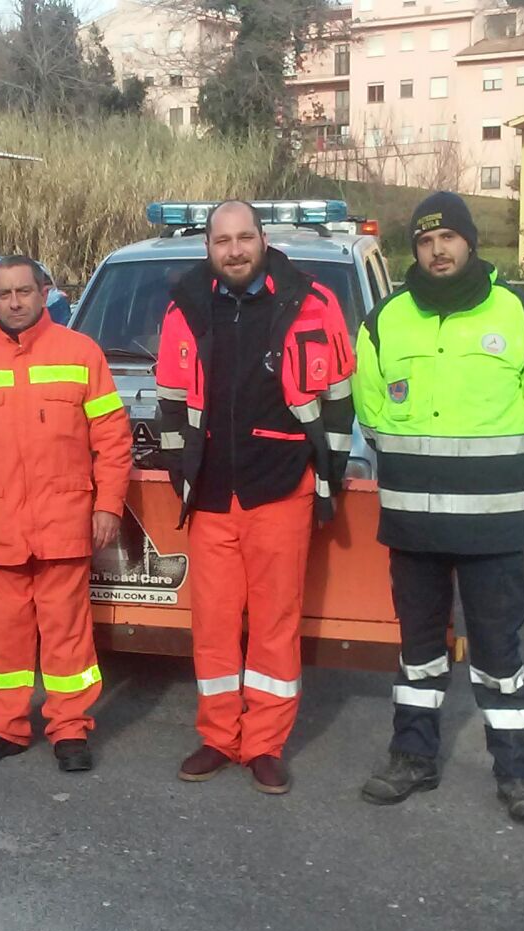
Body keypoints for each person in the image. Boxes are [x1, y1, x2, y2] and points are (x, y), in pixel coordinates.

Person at [351, 191, 524, 826]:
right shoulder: (384, 320)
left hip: (492, 523)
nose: (437, 250)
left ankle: (519, 772)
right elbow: (372, 414)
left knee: (499, 651)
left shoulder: (522, 313)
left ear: (469, 241)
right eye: (424, 240)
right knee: (418, 649)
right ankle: (412, 757)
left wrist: (486, 470)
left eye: (448, 238)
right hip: (412, 520)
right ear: (413, 249)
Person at [154, 201, 356, 795]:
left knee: (274, 624)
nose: (235, 249)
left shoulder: (311, 301)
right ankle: (219, 736)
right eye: (223, 240)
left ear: (263, 240)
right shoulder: (185, 308)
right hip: (212, 496)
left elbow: (339, 398)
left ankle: (264, 744)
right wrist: (178, 473)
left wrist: (328, 476)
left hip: (280, 489)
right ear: (208, 248)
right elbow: (168, 402)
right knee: (213, 624)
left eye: (245, 238)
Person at [0, 256, 132, 772]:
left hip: (64, 522)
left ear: (45, 293)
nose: (15, 302)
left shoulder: (81, 353)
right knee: (2, 637)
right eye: (4, 294)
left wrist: (109, 504)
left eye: (24, 291)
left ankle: (71, 730)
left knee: (68, 634)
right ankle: (2, 729)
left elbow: (113, 440)